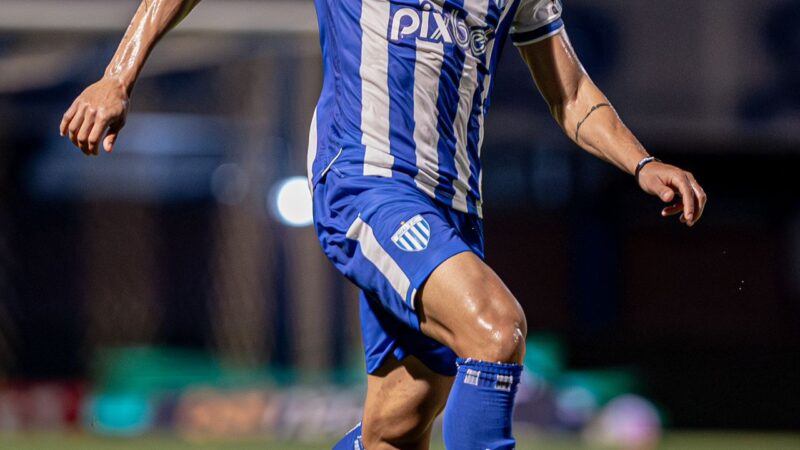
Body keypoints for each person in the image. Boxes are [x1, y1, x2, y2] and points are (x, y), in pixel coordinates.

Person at [60, 0, 707, 448]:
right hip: (365, 184)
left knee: (395, 431)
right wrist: (118, 78)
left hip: (453, 209)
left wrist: (642, 163)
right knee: (495, 329)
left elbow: (572, 95)